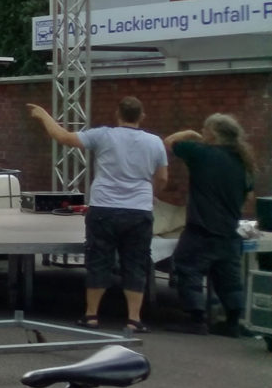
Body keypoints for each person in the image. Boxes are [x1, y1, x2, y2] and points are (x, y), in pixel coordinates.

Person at [27, 97, 167, 333]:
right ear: (142, 116)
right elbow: (163, 178)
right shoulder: (155, 142)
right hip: (139, 210)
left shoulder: (103, 135)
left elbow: (63, 137)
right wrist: (150, 195)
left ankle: (91, 315)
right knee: (135, 263)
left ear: (117, 114)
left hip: (104, 208)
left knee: (99, 260)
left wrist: (44, 116)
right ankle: (134, 319)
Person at [163, 114, 256, 335]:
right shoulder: (242, 161)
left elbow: (168, 143)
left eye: (205, 130)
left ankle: (196, 318)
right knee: (228, 276)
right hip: (230, 229)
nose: (202, 133)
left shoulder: (201, 153)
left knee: (188, 268)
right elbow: (249, 196)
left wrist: (190, 133)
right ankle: (233, 322)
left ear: (212, 134)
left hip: (201, 227)